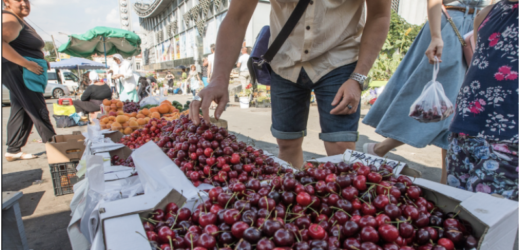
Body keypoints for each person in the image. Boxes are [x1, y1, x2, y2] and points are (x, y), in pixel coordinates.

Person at [190, 0, 392, 169]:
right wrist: (219, 78)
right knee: (286, 145)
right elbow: (237, 17)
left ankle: (341, 211)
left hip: (338, 61)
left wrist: (358, 77)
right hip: (284, 62)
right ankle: (296, 206)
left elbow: (379, 15)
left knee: (340, 147)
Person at [362, 0, 491, 183]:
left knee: (461, 107)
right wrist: (436, 35)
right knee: (443, 105)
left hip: (478, 28)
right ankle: (446, 184)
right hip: (450, 26)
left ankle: (382, 150)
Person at [445, 0, 518, 200]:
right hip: (466, 127)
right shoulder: (487, 12)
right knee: (455, 211)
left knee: (488, 215)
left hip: (509, 136)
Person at [2, 0, 56, 161]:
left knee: (21, 109)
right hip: (20, 71)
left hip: (22, 70)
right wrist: (27, 64)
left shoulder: (17, 19)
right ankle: (57, 149)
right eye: (18, 0)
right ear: (6, 2)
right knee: (38, 109)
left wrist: (39, 60)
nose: (24, 3)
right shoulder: (10, 19)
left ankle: (13, 149)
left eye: (26, 0)